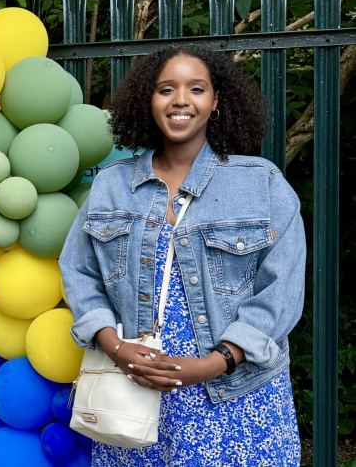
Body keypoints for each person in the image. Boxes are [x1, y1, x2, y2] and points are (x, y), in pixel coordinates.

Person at [59, 47, 305, 466]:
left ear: (216, 100)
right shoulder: (111, 186)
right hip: (135, 391)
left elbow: (281, 289)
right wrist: (113, 345)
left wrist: (216, 362)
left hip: (237, 394)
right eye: (166, 89)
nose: (180, 100)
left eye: (197, 88)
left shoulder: (261, 183)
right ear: (148, 101)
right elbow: (79, 272)